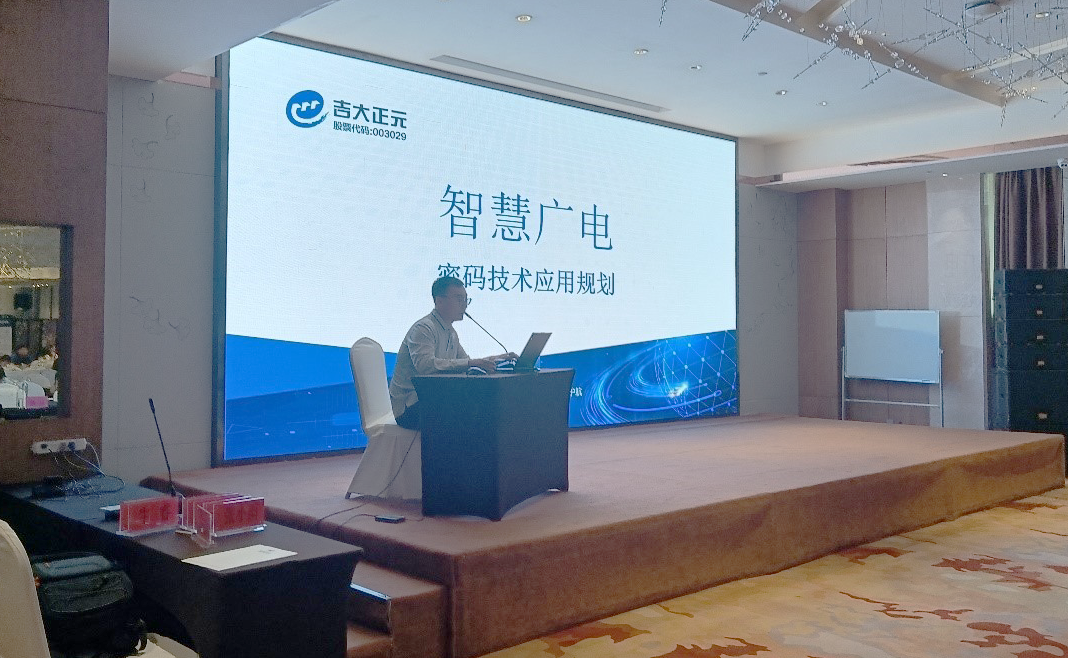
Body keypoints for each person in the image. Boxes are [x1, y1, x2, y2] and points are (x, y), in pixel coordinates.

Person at [388, 276, 516, 430]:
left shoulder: (451, 332)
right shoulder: (424, 328)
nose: (464, 305)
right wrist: (470, 363)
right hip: (410, 407)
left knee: (484, 407)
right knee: (471, 413)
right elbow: (425, 366)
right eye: (459, 299)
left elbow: (467, 363)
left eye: (466, 300)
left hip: (433, 400)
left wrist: (498, 358)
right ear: (439, 301)